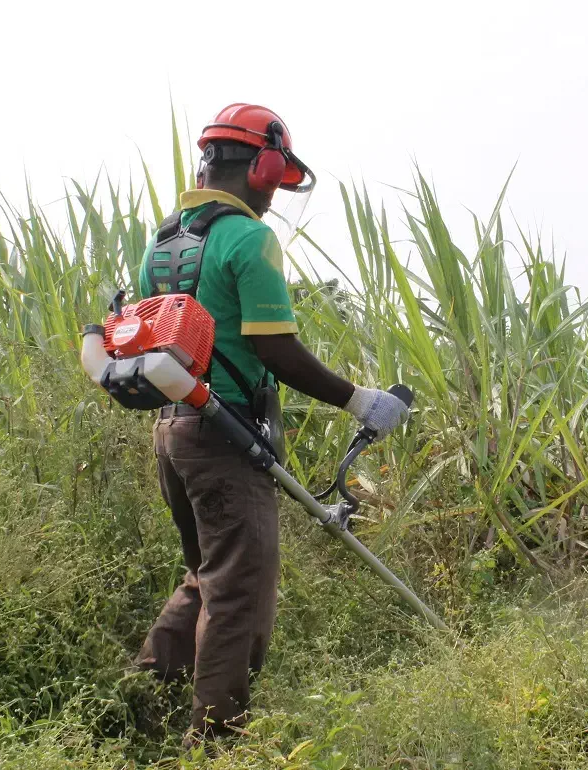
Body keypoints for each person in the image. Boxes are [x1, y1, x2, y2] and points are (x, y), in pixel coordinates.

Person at [135, 103, 409, 747]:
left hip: (174, 432)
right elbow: (274, 349)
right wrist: (360, 400)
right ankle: (216, 745)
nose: (272, 194)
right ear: (262, 167)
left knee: (205, 575)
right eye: (275, 176)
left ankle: (139, 703)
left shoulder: (167, 238)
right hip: (222, 436)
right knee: (237, 596)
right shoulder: (248, 237)